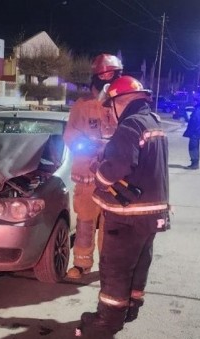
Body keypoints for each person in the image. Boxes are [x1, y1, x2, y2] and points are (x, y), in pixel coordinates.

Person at [78, 76, 170, 335]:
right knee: (140, 262)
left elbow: (118, 167)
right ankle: (131, 308)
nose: (111, 111)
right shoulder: (153, 121)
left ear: (121, 101)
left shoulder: (130, 125)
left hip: (127, 214)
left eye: (111, 106)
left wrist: (100, 173)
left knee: (116, 266)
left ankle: (108, 319)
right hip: (152, 212)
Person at [63, 53, 123, 279]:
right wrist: (87, 146)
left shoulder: (122, 107)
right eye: (103, 75)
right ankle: (81, 264)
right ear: (95, 78)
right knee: (86, 224)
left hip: (114, 179)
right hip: (86, 176)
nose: (107, 80)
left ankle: (108, 268)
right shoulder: (81, 106)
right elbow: (70, 134)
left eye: (112, 75)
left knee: (111, 227)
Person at [183, 97, 200, 169]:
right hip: (197, 131)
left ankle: (195, 163)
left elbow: (195, 119)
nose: (193, 103)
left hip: (195, 131)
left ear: (197, 101)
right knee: (194, 147)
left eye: (194, 101)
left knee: (193, 147)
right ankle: (194, 163)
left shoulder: (199, 109)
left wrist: (189, 120)